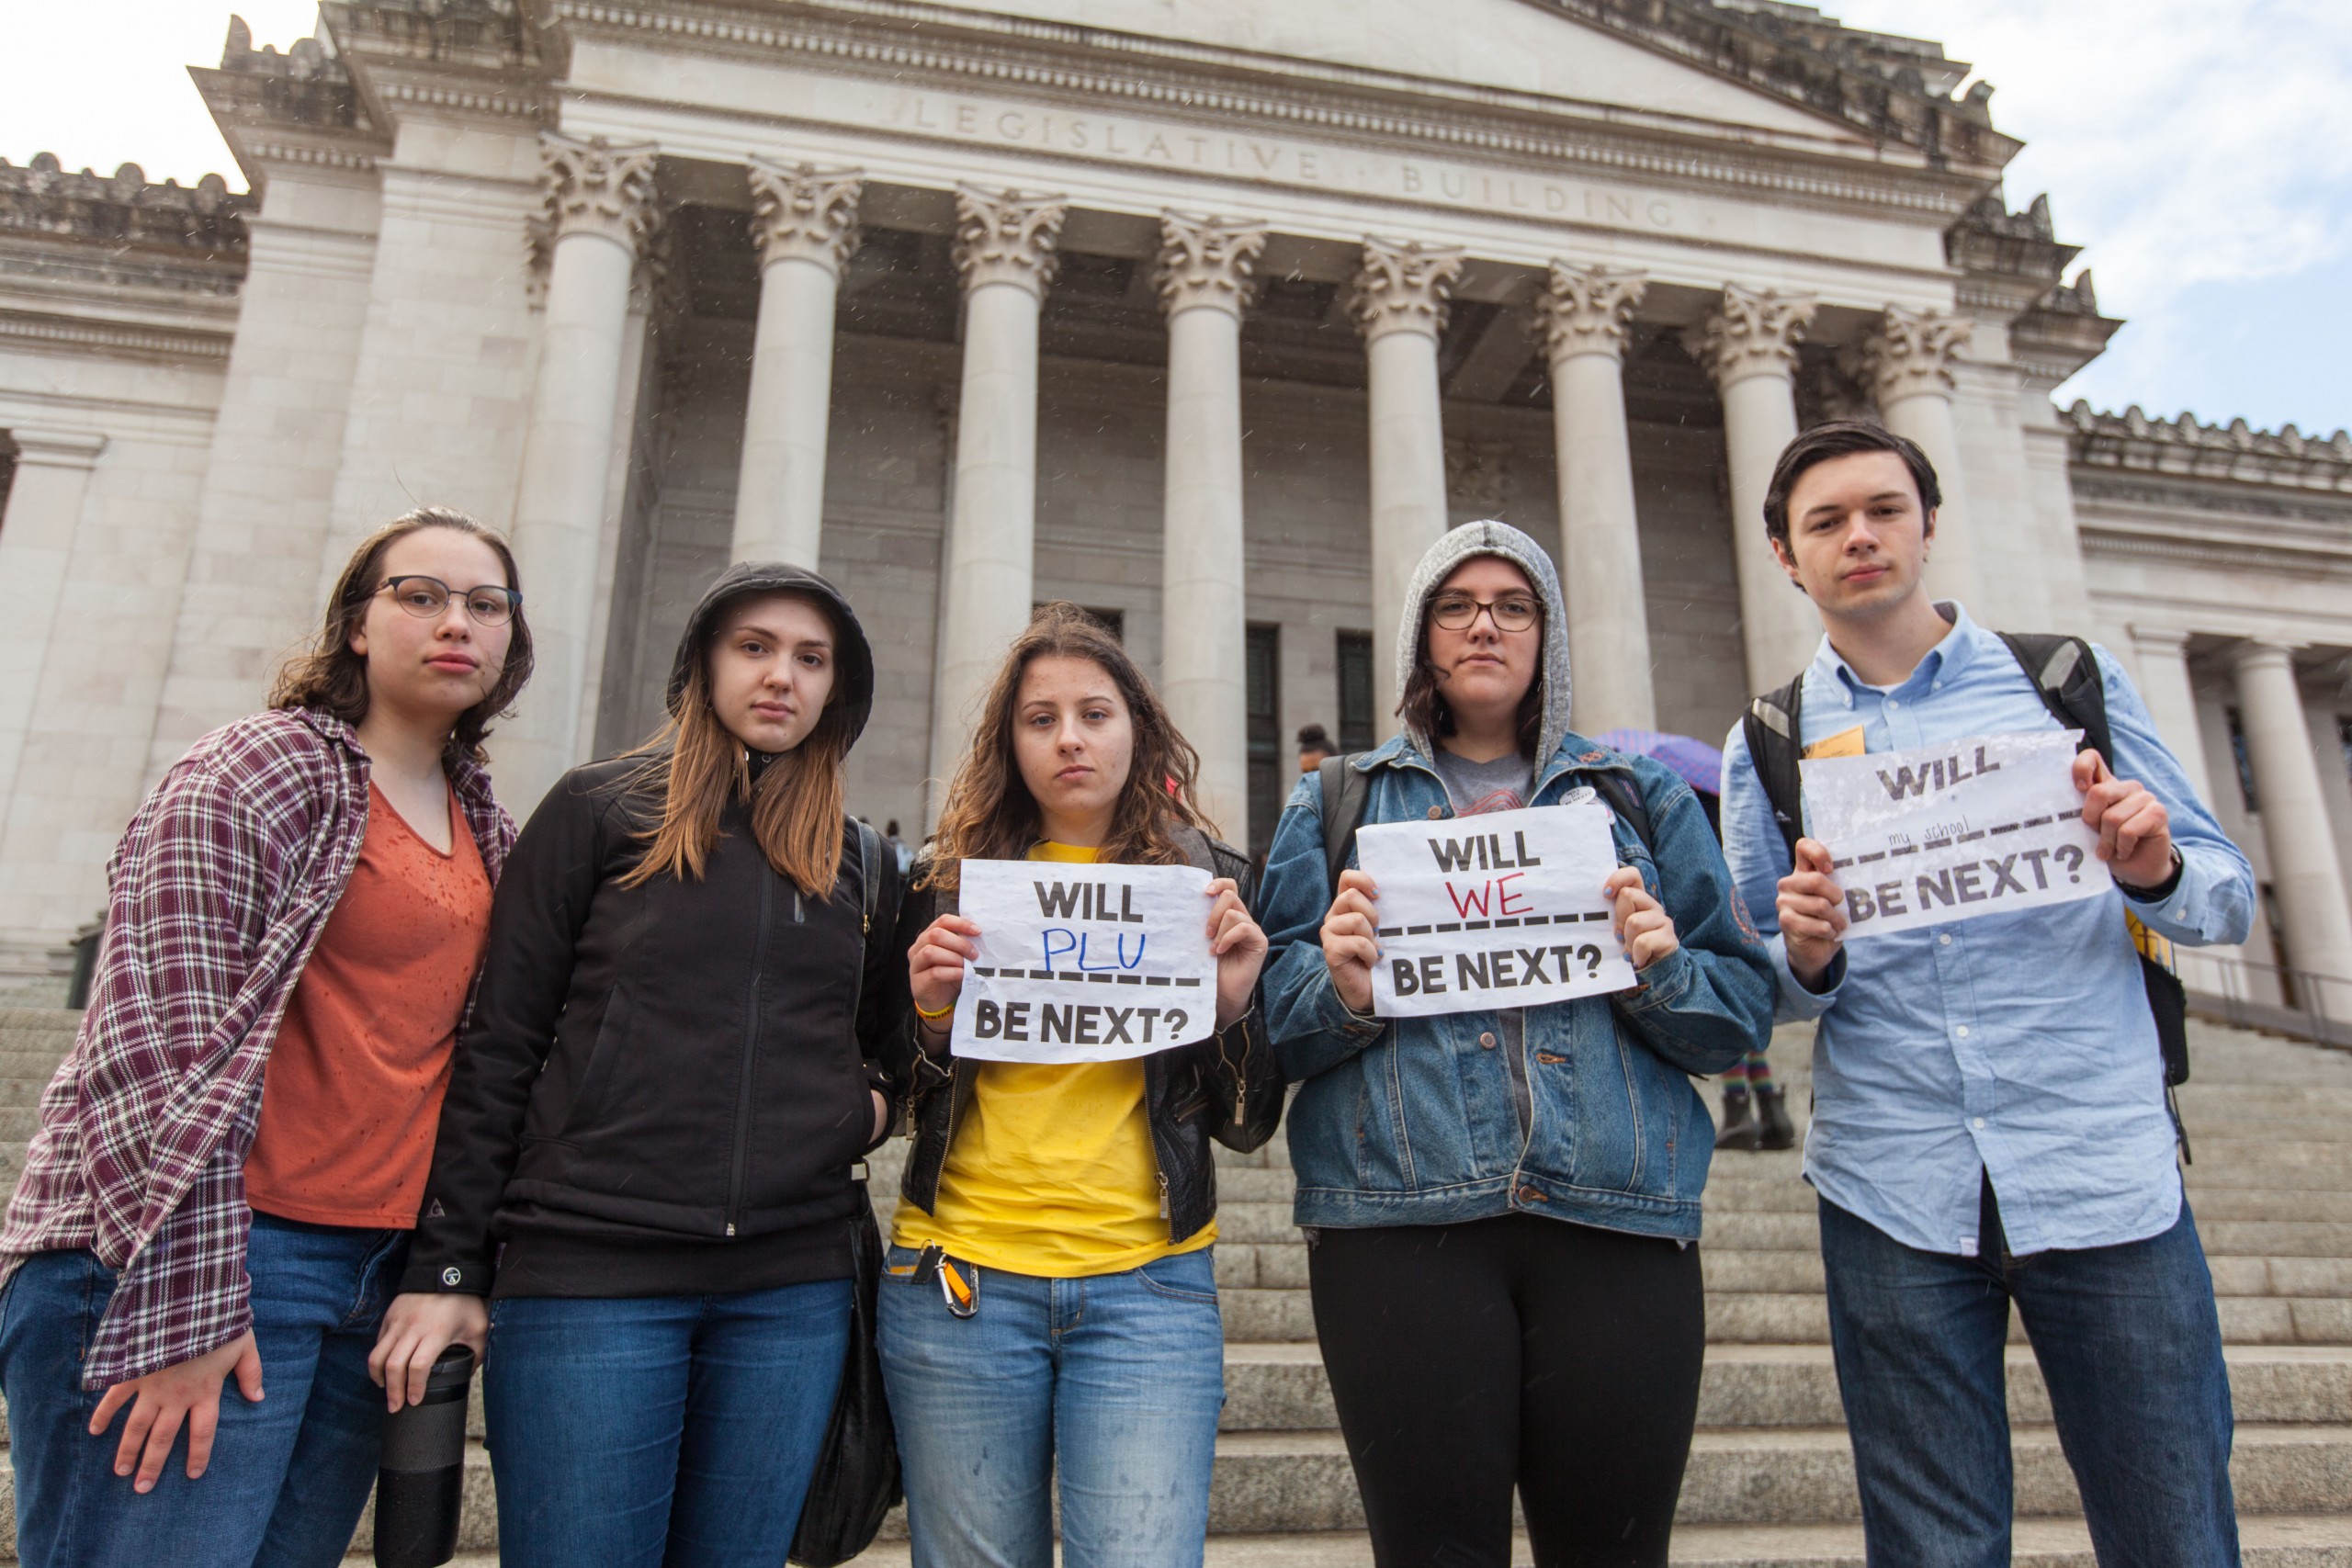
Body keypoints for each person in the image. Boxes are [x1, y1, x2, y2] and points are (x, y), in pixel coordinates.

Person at [1718, 420, 2255, 1567]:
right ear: (1784, 555)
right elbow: (1755, 984)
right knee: (1931, 1547)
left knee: (2172, 1530)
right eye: (1826, 523)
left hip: (2100, 1166)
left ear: (1925, 525)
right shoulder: (1765, 743)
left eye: (1882, 511)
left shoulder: (2066, 683)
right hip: (1894, 1185)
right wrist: (1801, 957)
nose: (1859, 537)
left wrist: (2151, 865)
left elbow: (2223, 898)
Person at [0, 507, 531, 1568]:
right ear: (355, 625)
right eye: (418, 596)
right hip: (199, 1254)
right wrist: (186, 1308)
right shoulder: (258, 769)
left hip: (364, 1278)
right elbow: (150, 1047)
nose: (454, 623)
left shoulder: (486, 823)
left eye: (485, 605)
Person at [1255, 521, 1776, 1568]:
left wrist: (1661, 964)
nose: (1483, 624)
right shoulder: (1333, 801)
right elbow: (1270, 1025)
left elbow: (1737, 1018)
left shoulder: (1642, 797)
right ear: (1419, 639)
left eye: (1512, 605)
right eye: (1456, 606)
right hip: (1401, 1226)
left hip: (1616, 1223)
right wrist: (1340, 986)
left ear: (1546, 636)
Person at [380, 562, 906, 1568]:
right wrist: (447, 1263)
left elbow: (884, 1048)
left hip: (789, 1291)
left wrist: (862, 1112)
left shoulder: (858, 862)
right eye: (753, 648)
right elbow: (501, 1044)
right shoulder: (594, 810)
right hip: (591, 1277)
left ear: (838, 689)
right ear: (703, 663)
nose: (780, 678)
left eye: (810, 659)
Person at [886, 602, 1283, 1568]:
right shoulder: (945, 885)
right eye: (1040, 718)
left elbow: (1246, 1124)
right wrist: (928, 1016)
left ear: (1136, 729)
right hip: (958, 1283)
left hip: (1148, 1288)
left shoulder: (1209, 885)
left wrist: (1233, 1011)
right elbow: (895, 1094)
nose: (1069, 739)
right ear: (1009, 742)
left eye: (1094, 714)